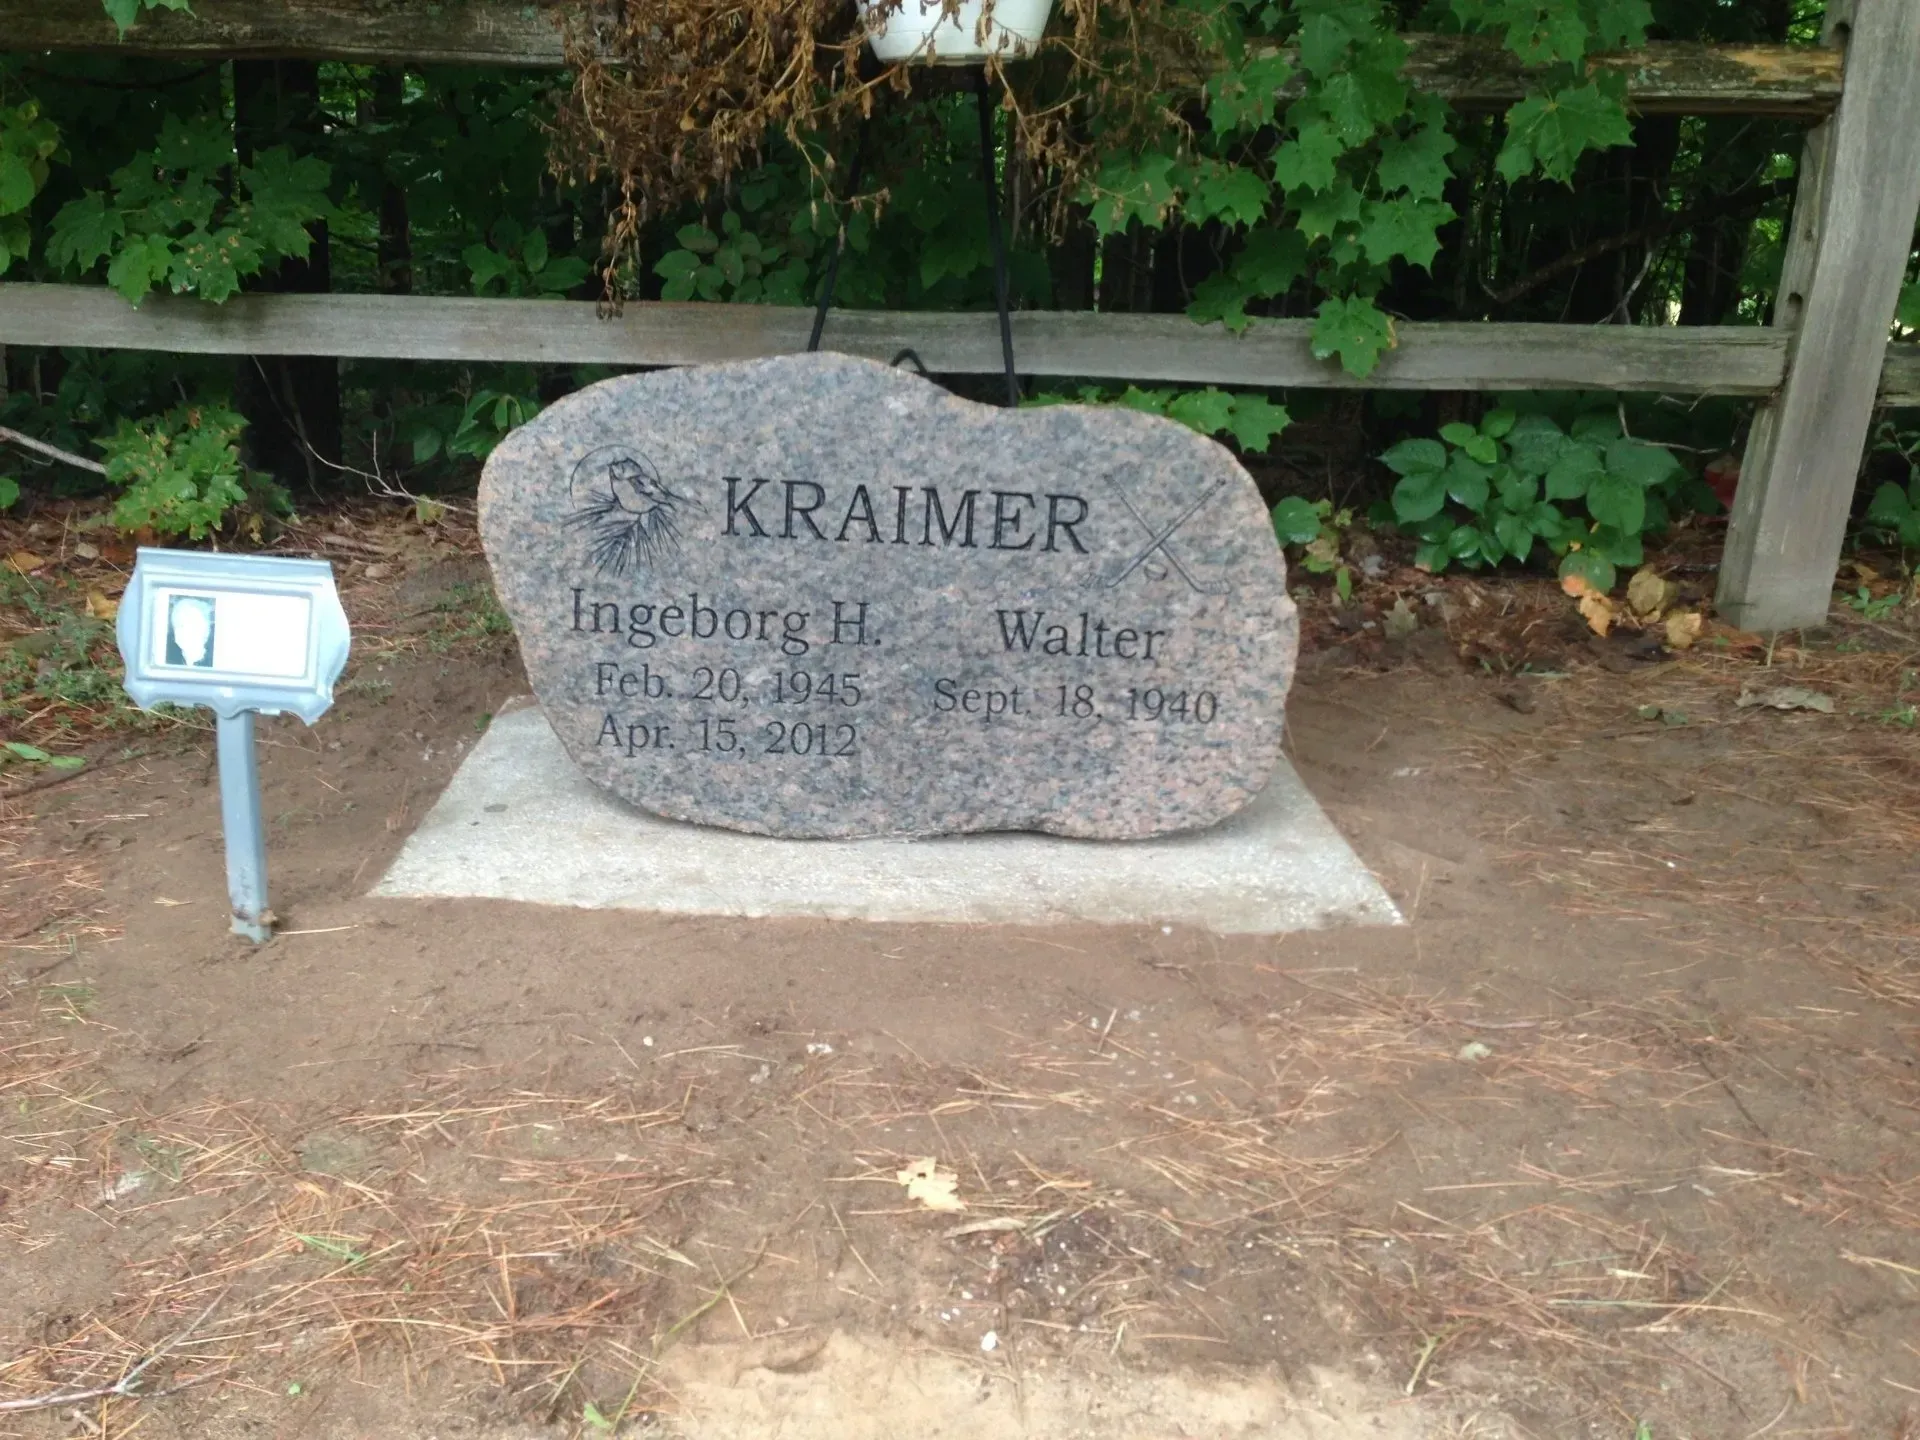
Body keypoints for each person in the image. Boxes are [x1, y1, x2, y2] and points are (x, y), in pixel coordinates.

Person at [166, 594, 215, 668]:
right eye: (178, 624)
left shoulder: (216, 659)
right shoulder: (169, 659)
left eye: (190, 622)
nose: (181, 630)